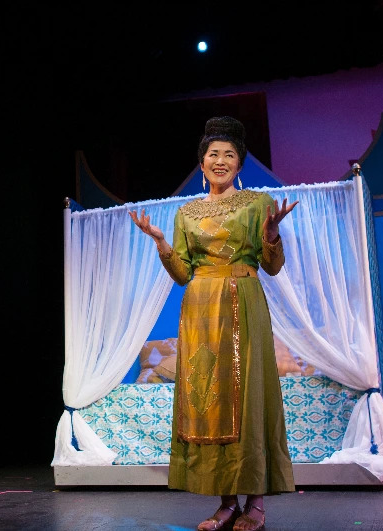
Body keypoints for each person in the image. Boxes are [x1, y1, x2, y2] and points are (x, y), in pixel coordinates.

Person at [129, 117, 297, 531]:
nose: (220, 161)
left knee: (248, 397)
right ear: (202, 163)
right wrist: (160, 242)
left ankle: (255, 502)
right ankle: (226, 503)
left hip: (243, 301)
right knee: (210, 399)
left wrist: (271, 236)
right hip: (200, 309)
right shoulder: (186, 212)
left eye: (229, 155)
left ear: (239, 163)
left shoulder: (258, 203)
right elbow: (182, 273)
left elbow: (273, 267)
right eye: (213, 154)